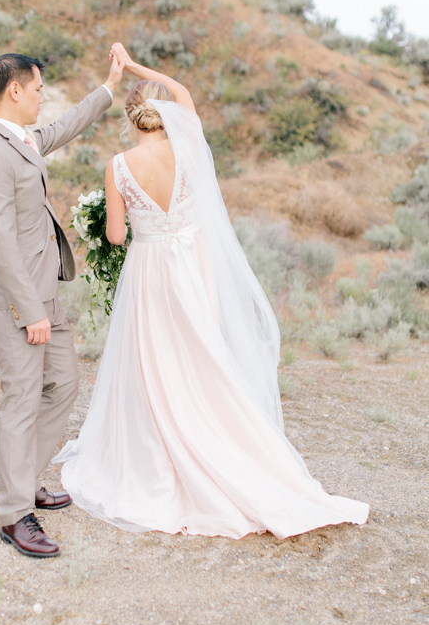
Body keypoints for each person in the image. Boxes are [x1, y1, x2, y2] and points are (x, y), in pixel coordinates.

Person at [54, 43, 369, 539]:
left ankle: (160, 450)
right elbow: (181, 91)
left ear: (133, 119)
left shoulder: (118, 166)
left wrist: (115, 222)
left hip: (150, 269)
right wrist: (135, 66)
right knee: (201, 354)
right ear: (169, 114)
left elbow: (116, 237)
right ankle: (221, 439)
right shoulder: (189, 144)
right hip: (192, 267)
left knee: (154, 360)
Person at [0, 52, 124, 557]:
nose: (42, 98)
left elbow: (65, 125)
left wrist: (108, 87)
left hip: (44, 287)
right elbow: (0, 241)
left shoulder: (22, 137)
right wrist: (30, 310)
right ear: (14, 91)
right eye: (37, 89)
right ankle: (15, 514)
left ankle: (24, 476)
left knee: (65, 382)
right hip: (20, 295)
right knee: (22, 395)